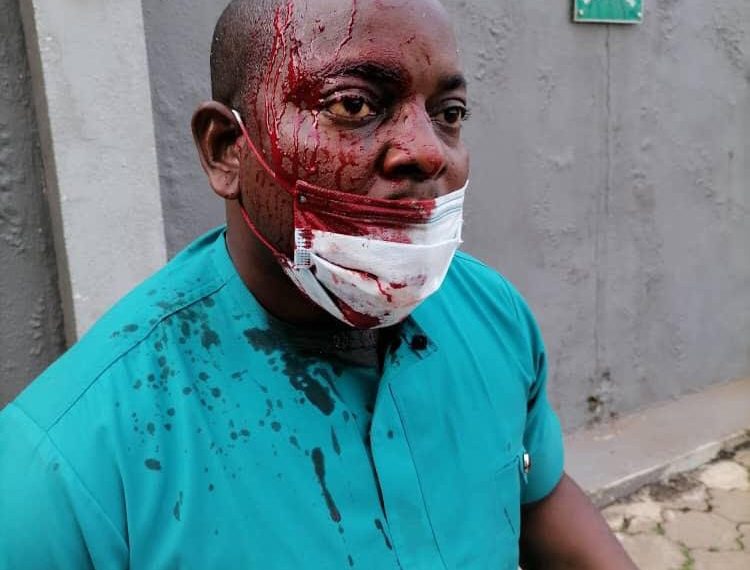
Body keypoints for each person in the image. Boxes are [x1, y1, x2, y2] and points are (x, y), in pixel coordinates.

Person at [0, 1, 638, 568]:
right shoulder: (65, 465)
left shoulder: (493, 314)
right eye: (353, 105)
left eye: (449, 113)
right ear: (227, 149)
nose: (428, 151)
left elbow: (537, 498)